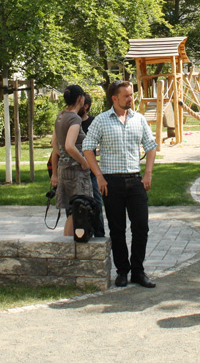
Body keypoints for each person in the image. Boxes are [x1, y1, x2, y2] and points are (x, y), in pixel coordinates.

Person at [83, 80, 157, 288]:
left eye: (131, 95)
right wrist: (98, 175)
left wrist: (148, 174)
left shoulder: (139, 119)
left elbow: (151, 147)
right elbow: (88, 148)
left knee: (141, 227)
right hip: (111, 182)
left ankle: (138, 271)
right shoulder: (101, 121)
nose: (130, 99)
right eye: (126, 96)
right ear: (114, 98)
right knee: (117, 229)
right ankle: (122, 271)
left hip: (136, 180)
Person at [50, 85, 106, 238]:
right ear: (80, 98)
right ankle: (70, 246)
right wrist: (83, 161)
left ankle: (69, 244)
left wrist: (63, 156)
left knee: (72, 210)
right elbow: (69, 145)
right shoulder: (74, 118)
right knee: (79, 209)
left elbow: (54, 143)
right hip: (76, 172)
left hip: (64, 169)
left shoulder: (61, 116)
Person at [80, 93, 105, 238]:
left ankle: (99, 233)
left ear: (86, 106)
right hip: (75, 171)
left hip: (91, 171)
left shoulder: (94, 122)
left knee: (96, 201)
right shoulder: (72, 121)